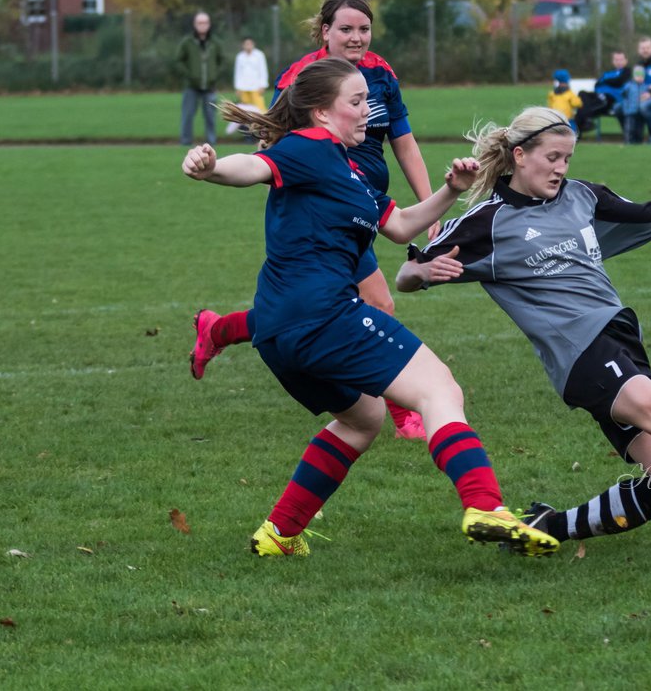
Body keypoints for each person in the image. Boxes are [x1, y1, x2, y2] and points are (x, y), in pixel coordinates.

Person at [181, 58, 560, 559]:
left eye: (368, 100)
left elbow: (400, 226)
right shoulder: (307, 148)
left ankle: (279, 533)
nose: (368, 111)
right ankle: (486, 505)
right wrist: (210, 170)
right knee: (439, 388)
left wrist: (450, 190)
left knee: (363, 420)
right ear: (320, 112)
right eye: (356, 102)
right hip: (324, 318)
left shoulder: (349, 170)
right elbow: (253, 167)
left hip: (277, 332)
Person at [396, 107, 651, 559]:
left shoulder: (583, 197)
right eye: (552, 157)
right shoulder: (488, 223)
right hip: (580, 354)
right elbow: (407, 274)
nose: (561, 168)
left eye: (567, 159)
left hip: (620, 342)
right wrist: (423, 271)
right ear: (519, 155)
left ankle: (548, 525)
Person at [190, 0, 438, 440]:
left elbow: (403, 139)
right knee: (376, 302)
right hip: (326, 210)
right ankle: (405, 412)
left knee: (309, 308)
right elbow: (271, 142)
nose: (356, 37)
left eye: (364, 29)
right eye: (345, 29)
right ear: (325, 31)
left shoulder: (381, 74)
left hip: (367, 207)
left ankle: (217, 329)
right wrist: (225, 169)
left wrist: (427, 200)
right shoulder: (305, 76)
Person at [176, 11, 225, 146]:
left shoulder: (215, 43)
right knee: (187, 115)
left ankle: (211, 142)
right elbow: (179, 60)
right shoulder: (187, 42)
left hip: (210, 87)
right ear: (194, 24)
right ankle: (185, 142)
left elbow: (222, 61)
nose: (202, 25)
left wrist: (214, 75)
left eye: (205, 23)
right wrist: (189, 75)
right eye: (199, 23)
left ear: (209, 25)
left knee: (210, 116)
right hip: (191, 86)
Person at [571, 52, 629, 140]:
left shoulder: (627, 72)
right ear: (613, 61)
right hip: (598, 96)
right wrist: (607, 81)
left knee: (582, 110)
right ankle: (586, 122)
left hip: (610, 99)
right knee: (582, 93)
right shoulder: (607, 73)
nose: (619, 62)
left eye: (621, 60)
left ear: (626, 61)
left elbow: (618, 81)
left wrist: (605, 81)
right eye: (616, 60)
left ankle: (577, 133)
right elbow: (596, 85)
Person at [233, 36, 270, 112]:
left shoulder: (259, 55)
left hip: (256, 87)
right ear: (243, 45)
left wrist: (263, 85)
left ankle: (263, 124)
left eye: (250, 44)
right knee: (246, 111)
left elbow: (263, 70)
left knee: (261, 110)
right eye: (246, 44)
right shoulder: (240, 56)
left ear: (253, 44)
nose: (248, 46)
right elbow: (237, 73)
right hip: (243, 87)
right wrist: (238, 87)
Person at [546, 69, 582, 133]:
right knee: (571, 135)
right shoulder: (569, 93)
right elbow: (577, 104)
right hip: (567, 120)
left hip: (555, 119)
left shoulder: (552, 94)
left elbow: (550, 107)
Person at [621, 65, 647, 145]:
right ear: (634, 76)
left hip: (640, 111)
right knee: (629, 127)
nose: (640, 78)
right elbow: (624, 97)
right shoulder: (628, 86)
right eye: (638, 76)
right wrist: (626, 108)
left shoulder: (645, 87)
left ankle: (638, 141)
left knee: (639, 128)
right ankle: (628, 141)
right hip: (630, 111)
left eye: (642, 76)